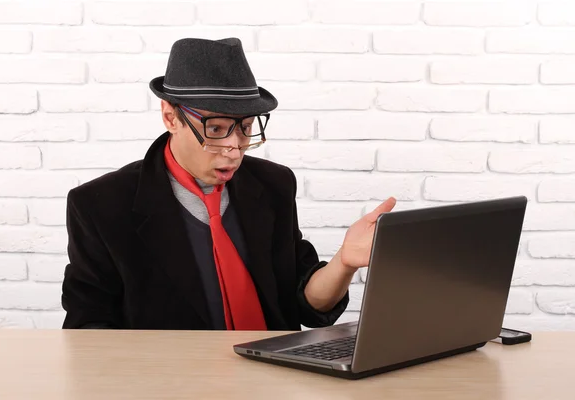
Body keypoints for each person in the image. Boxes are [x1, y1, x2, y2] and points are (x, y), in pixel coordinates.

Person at [61, 37, 396, 330]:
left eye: (246, 128)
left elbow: (305, 306)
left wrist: (344, 262)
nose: (235, 148)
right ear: (170, 117)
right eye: (216, 129)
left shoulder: (273, 184)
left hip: (275, 376)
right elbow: (88, 327)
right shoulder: (100, 205)